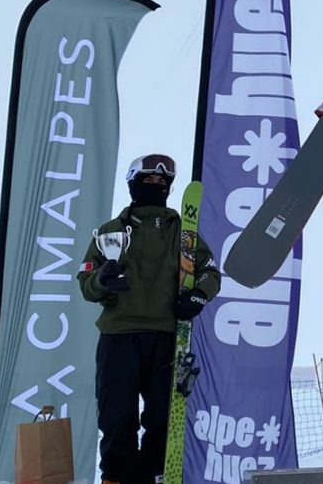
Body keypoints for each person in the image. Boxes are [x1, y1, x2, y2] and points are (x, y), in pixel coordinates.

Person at [77, 154, 221, 484]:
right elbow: (85, 282)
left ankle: (155, 475)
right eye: (148, 180)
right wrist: (103, 280)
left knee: (162, 418)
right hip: (119, 336)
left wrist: (198, 295)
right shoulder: (110, 231)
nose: (156, 185)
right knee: (117, 417)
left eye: (163, 182)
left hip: (167, 335)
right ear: (133, 184)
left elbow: (210, 271)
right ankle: (116, 477)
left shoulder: (184, 233)